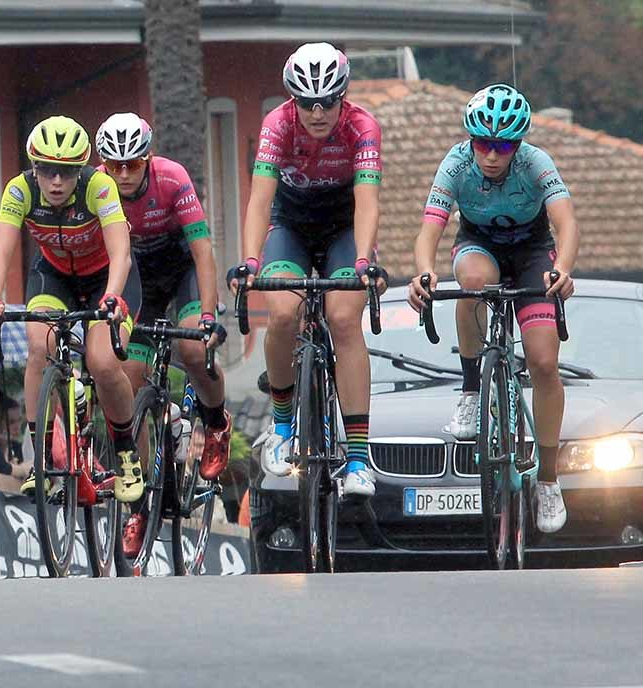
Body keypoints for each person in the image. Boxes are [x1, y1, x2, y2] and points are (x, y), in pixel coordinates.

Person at [407, 83, 577, 533]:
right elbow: (430, 229)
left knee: (542, 363)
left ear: (517, 144)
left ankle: (547, 479)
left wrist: (564, 268)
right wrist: (424, 272)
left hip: (531, 254)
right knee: (473, 283)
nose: (491, 155)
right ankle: (469, 389)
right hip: (479, 246)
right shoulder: (456, 163)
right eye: (482, 143)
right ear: (471, 140)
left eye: (502, 145)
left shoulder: (536, 163)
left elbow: (566, 222)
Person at [240, 43, 382, 498]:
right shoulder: (276, 125)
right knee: (282, 313)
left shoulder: (362, 127)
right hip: (292, 227)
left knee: (343, 319)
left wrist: (363, 261)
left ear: (344, 96)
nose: (318, 112)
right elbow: (260, 199)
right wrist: (249, 262)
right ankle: (282, 424)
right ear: (293, 101)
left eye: (328, 102)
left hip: (344, 228)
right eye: (306, 103)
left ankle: (359, 459)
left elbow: (367, 201)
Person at [0, 115, 143, 503]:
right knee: (40, 346)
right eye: (47, 171)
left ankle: (125, 453)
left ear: (80, 169)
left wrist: (114, 296)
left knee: (103, 362)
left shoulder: (98, 186)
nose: (56, 182)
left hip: (106, 278)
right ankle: (41, 460)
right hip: (53, 276)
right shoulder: (19, 190)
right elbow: (2, 250)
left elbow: (121, 252)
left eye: (66, 173)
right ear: (34, 168)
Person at [95, 112, 230, 473]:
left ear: (148, 158)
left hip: (180, 268)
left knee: (193, 350)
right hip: (138, 277)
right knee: (129, 376)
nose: (123, 174)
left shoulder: (172, 179)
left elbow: (202, 250)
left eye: (133, 164)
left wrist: (205, 315)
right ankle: (137, 488)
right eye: (114, 165)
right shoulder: (96, 186)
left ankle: (216, 424)